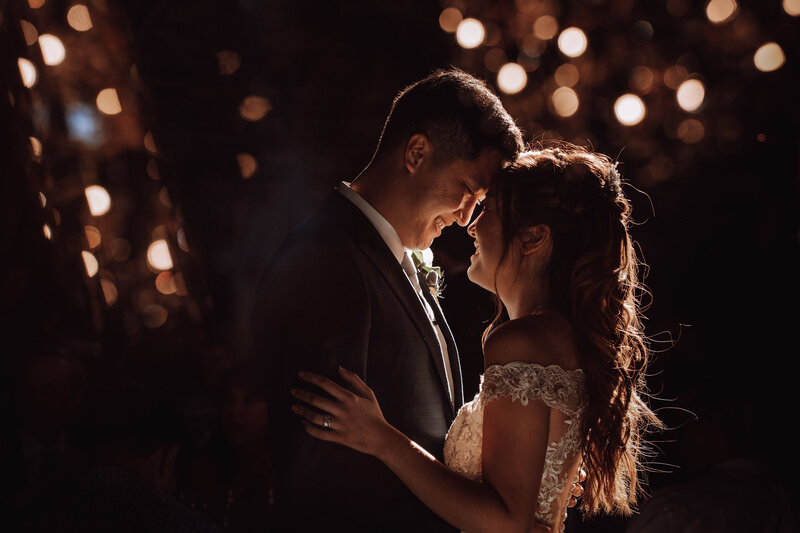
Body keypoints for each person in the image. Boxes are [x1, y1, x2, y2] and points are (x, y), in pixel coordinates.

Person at [292, 144, 662, 532]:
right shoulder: (561, 336)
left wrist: (383, 439)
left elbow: (504, 521)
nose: (471, 225)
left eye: (489, 210)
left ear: (533, 237)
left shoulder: (521, 342)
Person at [250, 68, 524, 531]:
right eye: (466, 192)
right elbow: (322, 458)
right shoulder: (325, 259)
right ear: (416, 153)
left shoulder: (399, 257)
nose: (464, 219)